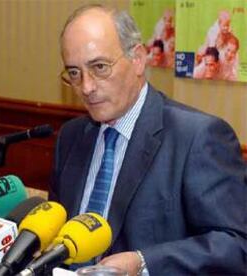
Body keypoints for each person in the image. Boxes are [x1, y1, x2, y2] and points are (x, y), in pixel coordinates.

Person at [50, 4, 246, 275]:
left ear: (138, 59)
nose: (87, 87)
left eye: (99, 67)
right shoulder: (70, 137)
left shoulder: (198, 137)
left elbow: (236, 245)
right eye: (74, 73)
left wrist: (145, 263)